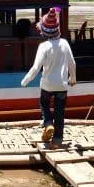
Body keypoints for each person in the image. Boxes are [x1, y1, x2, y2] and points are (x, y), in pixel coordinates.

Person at [21, 8, 76, 149]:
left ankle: (48, 124)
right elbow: (72, 63)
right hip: (62, 85)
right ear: (58, 30)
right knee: (60, 112)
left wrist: (25, 81)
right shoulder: (64, 43)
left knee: (44, 104)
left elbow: (35, 68)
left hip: (47, 85)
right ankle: (57, 141)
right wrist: (73, 78)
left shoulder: (43, 46)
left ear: (44, 32)